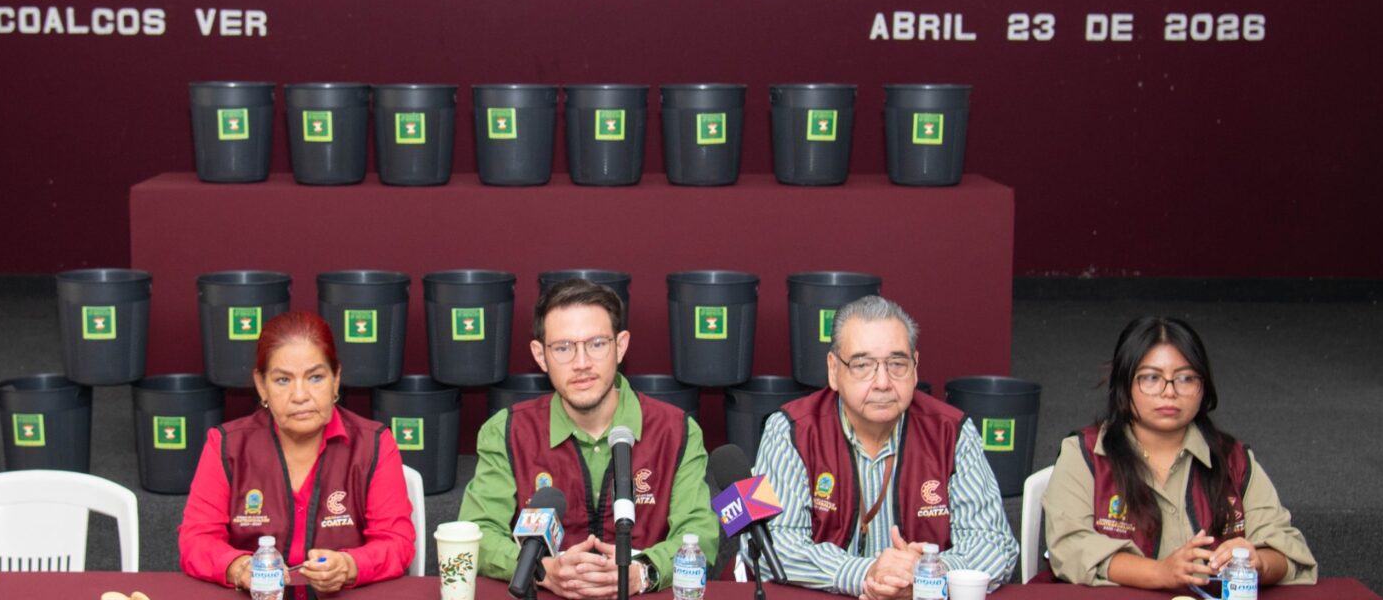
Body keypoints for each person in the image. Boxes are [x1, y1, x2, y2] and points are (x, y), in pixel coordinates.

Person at [459, 279, 721, 599]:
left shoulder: (676, 431)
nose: (581, 363)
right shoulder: (507, 431)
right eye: (563, 348)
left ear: (620, 346)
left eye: (596, 344)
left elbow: (699, 532)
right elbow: (477, 533)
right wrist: (542, 570)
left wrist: (643, 572)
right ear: (540, 355)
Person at [752, 295, 1018, 598]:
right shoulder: (789, 430)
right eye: (862, 365)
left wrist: (928, 573)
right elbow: (769, 543)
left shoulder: (952, 432)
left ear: (915, 368)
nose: (882, 382)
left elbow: (995, 545)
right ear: (833, 370)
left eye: (897, 364)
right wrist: (865, 574)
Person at [1042, 316, 1317, 589]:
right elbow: (1068, 547)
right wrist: (1158, 573)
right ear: (1124, 383)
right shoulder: (1085, 454)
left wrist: (1259, 562)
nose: (1169, 392)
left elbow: (1287, 549)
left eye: (1186, 378)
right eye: (1151, 378)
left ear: (1204, 387)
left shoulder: (1234, 459)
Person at [179, 311, 416, 592]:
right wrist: (239, 567)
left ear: (336, 379)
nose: (300, 395)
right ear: (261, 386)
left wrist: (348, 565)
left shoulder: (374, 444)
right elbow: (196, 540)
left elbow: (397, 542)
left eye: (316, 377)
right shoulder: (225, 445)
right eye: (283, 380)